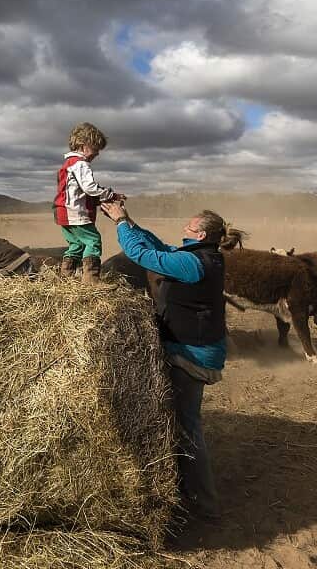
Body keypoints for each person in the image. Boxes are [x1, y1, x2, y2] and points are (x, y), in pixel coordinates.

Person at [101, 201, 242, 523]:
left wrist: (121, 222)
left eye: (189, 228)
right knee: (180, 420)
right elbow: (159, 246)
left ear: (201, 234)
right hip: (193, 348)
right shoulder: (202, 256)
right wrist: (131, 222)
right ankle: (185, 486)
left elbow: (144, 256)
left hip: (191, 356)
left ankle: (205, 504)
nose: (184, 230)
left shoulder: (194, 264)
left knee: (186, 426)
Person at [54, 122, 122, 283]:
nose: (97, 153)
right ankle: (91, 280)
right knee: (93, 241)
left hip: (62, 211)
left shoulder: (68, 164)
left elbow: (78, 192)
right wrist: (109, 193)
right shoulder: (81, 164)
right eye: (96, 148)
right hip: (75, 212)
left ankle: (66, 277)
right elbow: (89, 188)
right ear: (84, 146)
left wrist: (106, 198)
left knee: (76, 245)